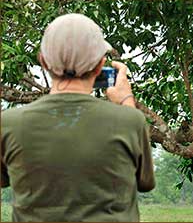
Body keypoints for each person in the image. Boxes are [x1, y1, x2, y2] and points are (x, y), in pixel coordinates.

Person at [1, 13, 155, 222]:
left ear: (43, 61)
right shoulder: (129, 121)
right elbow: (144, 182)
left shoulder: (9, 123)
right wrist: (126, 100)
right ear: (100, 65)